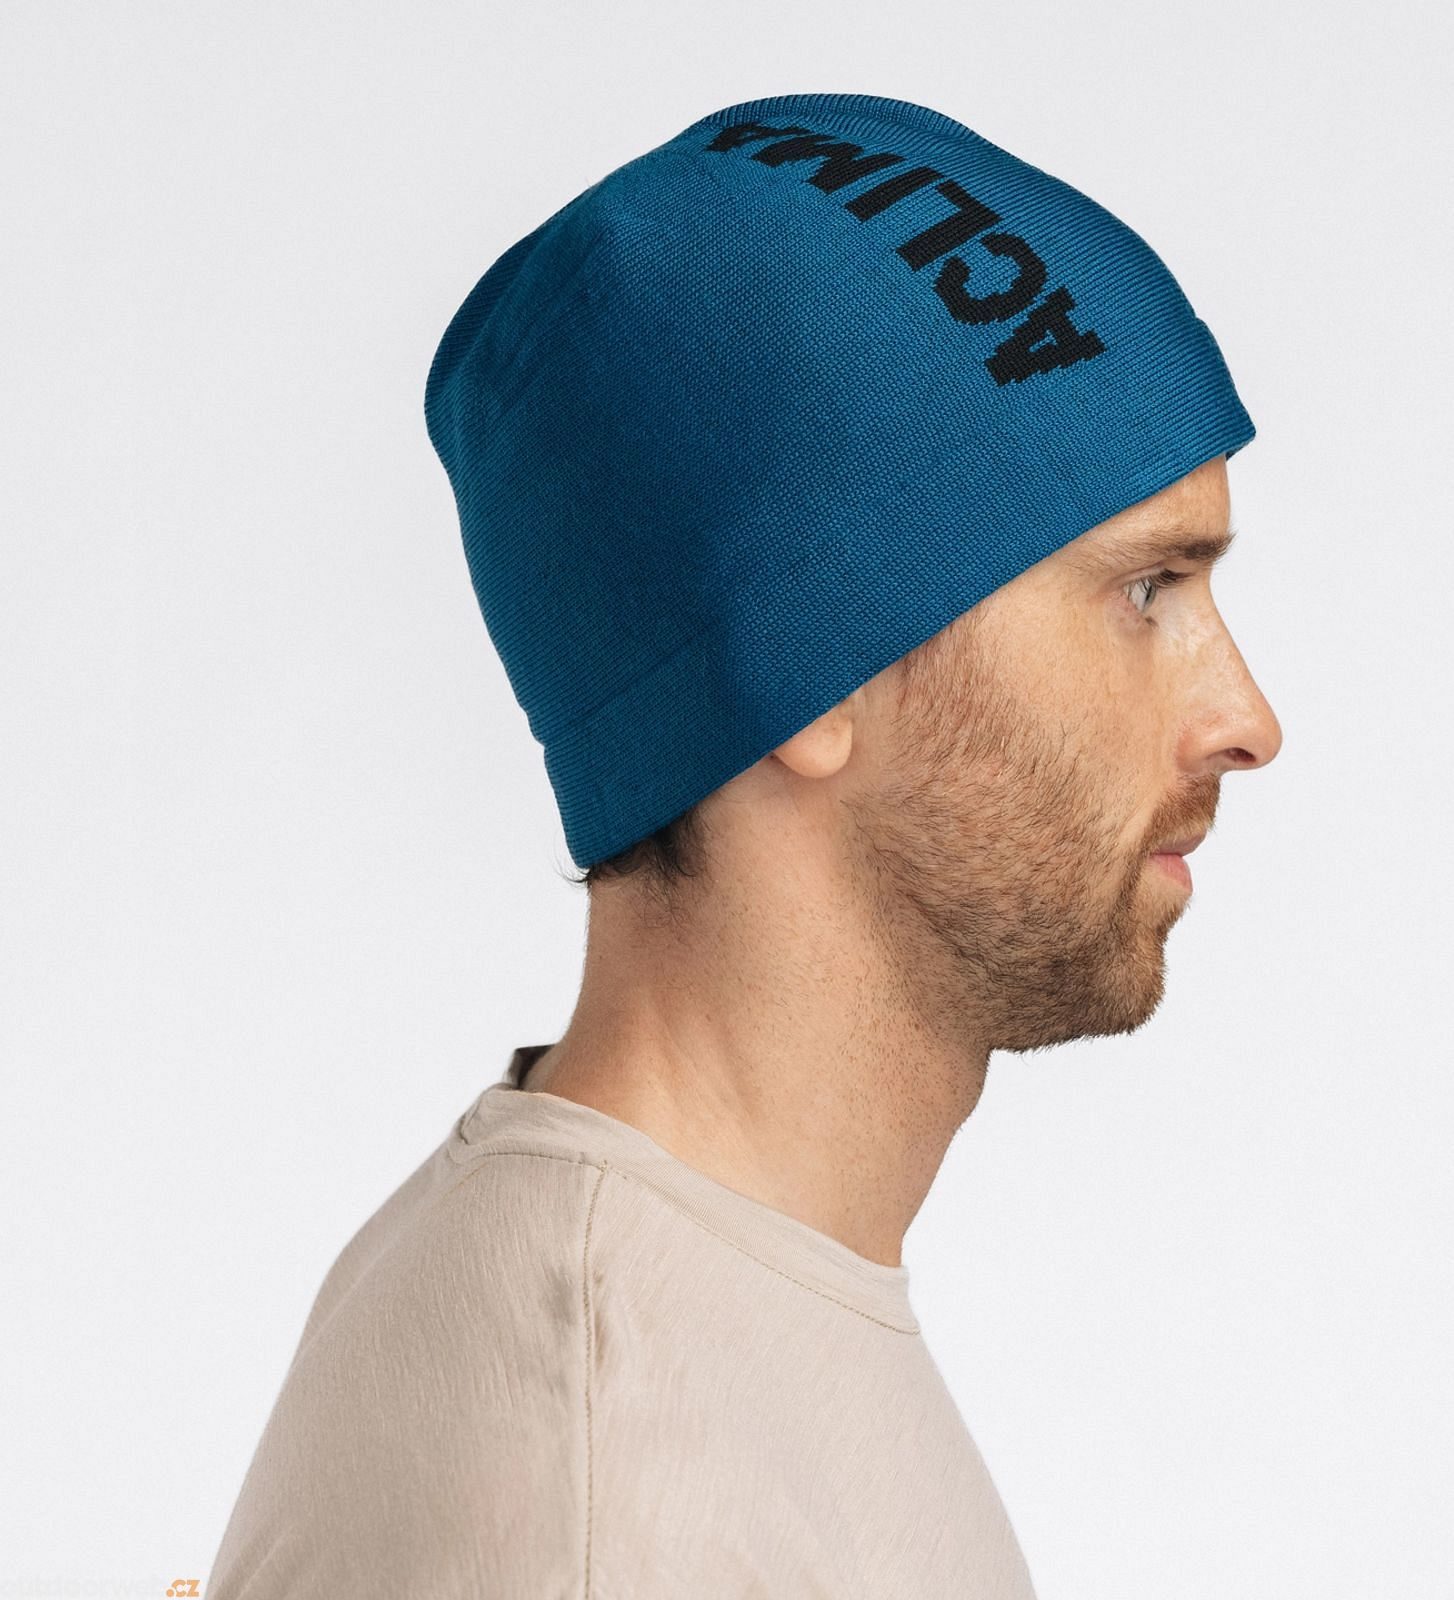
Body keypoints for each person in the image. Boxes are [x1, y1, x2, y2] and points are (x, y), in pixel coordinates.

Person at [206, 90, 1281, 1598]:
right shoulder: (608, 1493)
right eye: (1145, 591)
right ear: (807, 671)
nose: (1246, 720)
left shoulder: (706, 1315)